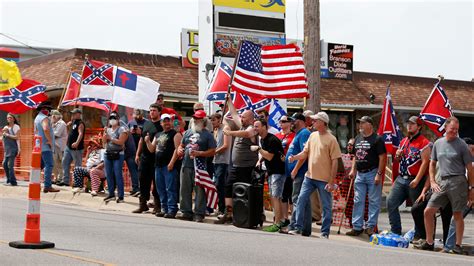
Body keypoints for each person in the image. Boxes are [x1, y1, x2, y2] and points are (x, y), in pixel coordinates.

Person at [418, 117, 474, 253]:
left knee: (457, 214)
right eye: (452, 129)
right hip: (441, 182)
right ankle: (429, 242)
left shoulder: (462, 145)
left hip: (458, 181)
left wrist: (471, 188)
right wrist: (432, 181)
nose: (454, 132)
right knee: (428, 211)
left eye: (456, 129)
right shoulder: (438, 143)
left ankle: (458, 245)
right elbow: (432, 164)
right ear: (445, 128)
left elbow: (470, 168)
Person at [288, 112, 342, 238]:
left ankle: (325, 232)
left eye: (315, 121)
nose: (313, 122)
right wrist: (295, 157)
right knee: (301, 200)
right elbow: (305, 153)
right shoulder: (312, 136)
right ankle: (298, 227)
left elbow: (335, 162)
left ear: (323, 122)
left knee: (326, 206)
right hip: (309, 177)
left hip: (324, 179)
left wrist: (331, 181)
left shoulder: (332, 139)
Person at [215, 98, 258, 224]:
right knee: (228, 187)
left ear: (250, 118)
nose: (241, 119)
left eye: (244, 117)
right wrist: (228, 101)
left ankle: (244, 214)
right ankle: (229, 212)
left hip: (246, 166)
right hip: (235, 165)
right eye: (242, 117)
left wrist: (229, 132)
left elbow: (245, 134)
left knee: (244, 190)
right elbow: (234, 114)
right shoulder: (242, 125)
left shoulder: (251, 128)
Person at [387, 116, 431, 237]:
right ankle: (395, 231)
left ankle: (420, 234)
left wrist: (417, 179)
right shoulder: (404, 141)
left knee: (417, 209)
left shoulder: (424, 142)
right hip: (401, 179)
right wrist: (397, 155)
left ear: (419, 127)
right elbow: (397, 160)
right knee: (390, 202)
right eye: (408, 123)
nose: (409, 126)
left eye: (412, 124)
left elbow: (425, 162)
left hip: (415, 179)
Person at [346, 116, 386, 236]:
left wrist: (379, 174)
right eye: (359, 123)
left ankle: (370, 227)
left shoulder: (377, 139)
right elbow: (356, 156)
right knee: (358, 200)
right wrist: (353, 170)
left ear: (370, 125)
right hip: (360, 173)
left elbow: (382, 157)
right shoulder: (358, 138)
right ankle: (357, 227)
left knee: (373, 201)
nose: (360, 125)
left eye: (363, 123)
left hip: (372, 172)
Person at [177, 110, 216, 223]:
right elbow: (181, 144)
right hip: (186, 164)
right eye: (194, 118)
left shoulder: (208, 135)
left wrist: (200, 153)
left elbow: (213, 151)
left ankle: (199, 213)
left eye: (197, 118)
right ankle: (186, 211)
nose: (194, 120)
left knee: (200, 190)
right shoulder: (188, 132)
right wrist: (179, 149)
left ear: (203, 121)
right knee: (184, 189)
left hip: (200, 167)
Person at [251, 119, 286, 232]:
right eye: (254, 126)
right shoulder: (263, 139)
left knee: (276, 197)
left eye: (257, 126)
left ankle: (277, 223)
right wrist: (260, 160)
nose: (255, 128)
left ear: (264, 127)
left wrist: (259, 149)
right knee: (274, 196)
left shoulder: (272, 139)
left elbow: (270, 156)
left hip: (278, 172)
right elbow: (267, 154)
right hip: (271, 172)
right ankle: (279, 222)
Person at [145, 113, 182, 218]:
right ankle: (164, 208)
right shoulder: (158, 134)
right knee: (160, 188)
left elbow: (177, 149)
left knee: (170, 188)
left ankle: (172, 209)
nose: (167, 123)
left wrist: (171, 163)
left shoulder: (175, 134)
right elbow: (152, 149)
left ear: (171, 122)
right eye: (164, 121)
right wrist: (147, 141)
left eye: (168, 121)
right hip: (158, 166)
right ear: (161, 123)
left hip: (168, 166)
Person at [442, 137, 473, 253]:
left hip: (469, 194)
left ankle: (449, 246)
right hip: (464, 195)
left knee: (455, 219)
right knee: (455, 219)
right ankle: (449, 246)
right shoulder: (461, 160)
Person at [283, 113, 312, 235]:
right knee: (302, 200)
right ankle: (304, 228)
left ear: (300, 121)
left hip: (300, 173)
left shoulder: (304, 133)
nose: (291, 123)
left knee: (297, 199)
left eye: (293, 121)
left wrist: (295, 170)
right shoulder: (298, 134)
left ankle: (295, 226)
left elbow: (304, 154)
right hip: (296, 173)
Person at [133, 104, 163, 213]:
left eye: (154, 110)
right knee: (143, 181)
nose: (152, 112)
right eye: (150, 111)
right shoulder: (146, 123)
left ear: (159, 112)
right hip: (145, 157)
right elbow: (141, 140)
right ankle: (143, 204)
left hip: (156, 158)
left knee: (156, 182)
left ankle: (157, 205)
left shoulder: (161, 125)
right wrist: (137, 154)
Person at [102, 111, 129, 203]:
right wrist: (104, 137)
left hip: (118, 154)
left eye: (114, 118)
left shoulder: (122, 129)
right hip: (108, 153)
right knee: (108, 174)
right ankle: (111, 194)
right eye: (111, 118)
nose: (112, 120)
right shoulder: (107, 130)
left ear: (118, 120)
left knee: (118, 174)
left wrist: (110, 138)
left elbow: (121, 142)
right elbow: (104, 143)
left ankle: (121, 196)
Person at [275, 115, 296, 229]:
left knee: (291, 195)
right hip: (278, 169)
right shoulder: (277, 136)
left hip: (290, 169)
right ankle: (284, 218)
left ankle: (293, 219)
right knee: (282, 195)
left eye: (284, 121)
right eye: (280, 121)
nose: (281, 123)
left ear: (290, 123)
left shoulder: (294, 136)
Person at [34, 101, 59, 193]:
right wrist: (49, 140)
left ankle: (34, 182)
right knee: (49, 164)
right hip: (45, 146)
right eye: (48, 110)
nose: (49, 112)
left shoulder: (37, 118)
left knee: (39, 166)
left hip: (38, 145)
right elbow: (45, 129)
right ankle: (47, 185)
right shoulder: (44, 118)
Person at [211, 112, 231, 216]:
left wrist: (214, 152)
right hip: (215, 161)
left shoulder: (225, 128)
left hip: (223, 161)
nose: (212, 122)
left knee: (220, 184)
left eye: (214, 120)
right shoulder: (216, 130)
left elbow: (226, 145)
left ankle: (222, 208)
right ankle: (219, 206)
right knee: (217, 185)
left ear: (219, 119)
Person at [61, 108, 85, 186]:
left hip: (76, 148)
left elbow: (80, 134)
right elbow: (71, 132)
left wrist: (77, 142)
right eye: (72, 114)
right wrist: (69, 125)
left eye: (75, 114)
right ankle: (65, 180)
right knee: (65, 162)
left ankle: (78, 183)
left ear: (79, 114)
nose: (73, 115)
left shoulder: (80, 123)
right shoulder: (73, 122)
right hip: (68, 146)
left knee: (77, 165)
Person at [2, 113, 21, 186]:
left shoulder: (16, 127)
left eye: (10, 117)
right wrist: (3, 134)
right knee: (4, 164)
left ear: (14, 119)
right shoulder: (6, 127)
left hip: (13, 148)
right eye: (7, 118)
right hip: (7, 149)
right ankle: (9, 179)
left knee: (10, 165)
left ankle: (13, 182)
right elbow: (3, 138)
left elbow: (17, 137)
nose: (9, 119)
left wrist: (7, 134)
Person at [51, 110, 68, 185]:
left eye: (52, 116)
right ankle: (56, 178)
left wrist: (49, 134)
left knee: (61, 163)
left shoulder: (62, 123)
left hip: (60, 146)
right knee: (55, 163)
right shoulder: (53, 123)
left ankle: (62, 179)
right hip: (54, 145)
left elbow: (56, 134)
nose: (52, 117)